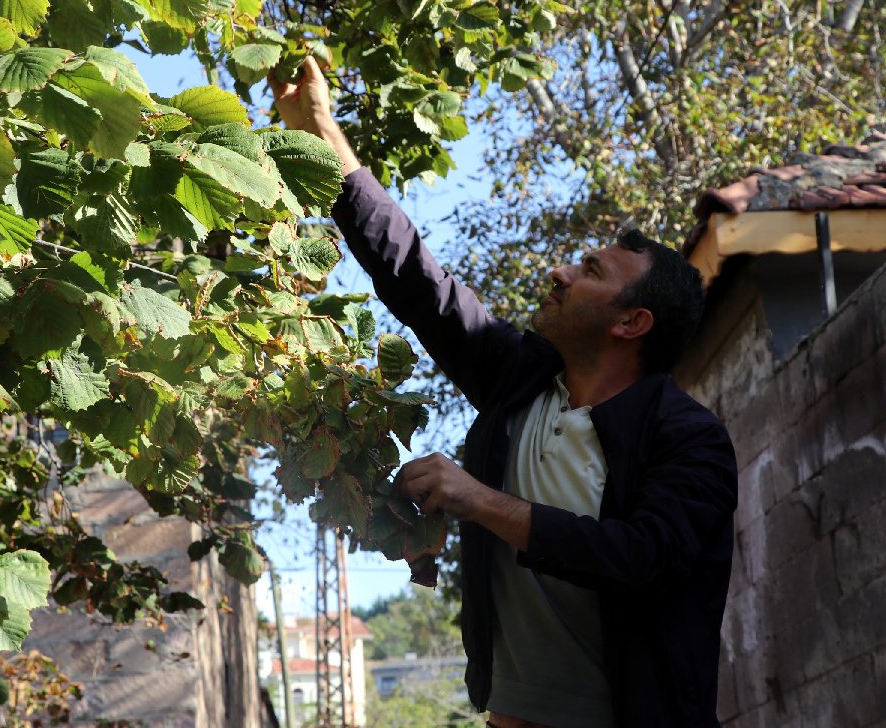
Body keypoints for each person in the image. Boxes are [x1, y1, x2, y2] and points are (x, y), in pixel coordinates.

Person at [271, 59, 738, 728]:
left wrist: (479, 501)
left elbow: (642, 558)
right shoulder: (520, 381)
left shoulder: (689, 438)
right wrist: (320, 128)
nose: (560, 272)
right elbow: (416, 280)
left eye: (590, 270)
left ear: (631, 323)